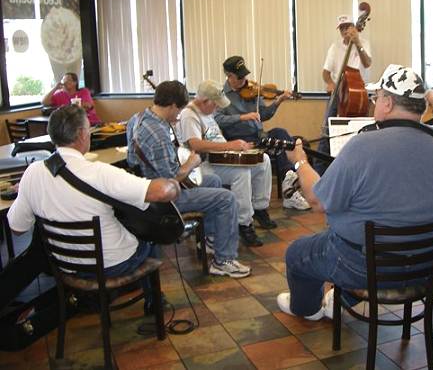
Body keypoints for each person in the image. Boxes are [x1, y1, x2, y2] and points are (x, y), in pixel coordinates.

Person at [276, 65, 433, 320]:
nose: (374, 103)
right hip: (432, 262)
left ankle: (307, 309)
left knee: (297, 254)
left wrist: (300, 161)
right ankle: (340, 300)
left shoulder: (362, 145)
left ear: (387, 103)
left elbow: (316, 201)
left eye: (376, 98)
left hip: (369, 267)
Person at [6, 105, 180, 313]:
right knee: (150, 238)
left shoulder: (32, 173)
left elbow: (16, 228)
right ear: (81, 134)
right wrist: (174, 182)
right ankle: (154, 303)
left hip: (64, 265)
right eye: (88, 129)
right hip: (110, 265)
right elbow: (161, 192)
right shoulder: (99, 172)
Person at [126, 80, 251, 278]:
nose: (179, 115)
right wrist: (191, 163)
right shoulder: (157, 133)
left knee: (214, 182)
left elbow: (132, 159)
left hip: (144, 187)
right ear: (173, 105)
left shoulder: (138, 118)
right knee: (226, 198)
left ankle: (210, 240)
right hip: (164, 199)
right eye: (179, 110)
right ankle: (224, 260)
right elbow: (171, 180)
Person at [178, 80, 275, 247]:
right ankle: (244, 223)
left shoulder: (207, 113)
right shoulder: (189, 115)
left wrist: (241, 148)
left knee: (262, 160)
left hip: (221, 158)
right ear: (204, 101)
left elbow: (216, 137)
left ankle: (259, 207)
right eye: (215, 105)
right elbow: (195, 144)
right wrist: (230, 145)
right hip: (202, 165)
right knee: (241, 173)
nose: (217, 109)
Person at [214, 55, 310, 211]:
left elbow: (264, 114)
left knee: (280, 134)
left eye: (245, 75)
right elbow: (218, 119)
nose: (244, 80)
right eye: (239, 77)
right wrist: (242, 117)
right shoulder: (221, 95)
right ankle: (288, 189)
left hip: (259, 136)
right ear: (229, 76)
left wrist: (278, 101)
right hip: (239, 139)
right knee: (277, 147)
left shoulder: (253, 89)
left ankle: (288, 184)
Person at [315, 14, 372, 175]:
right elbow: (325, 73)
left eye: (347, 26)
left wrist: (358, 43)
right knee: (327, 132)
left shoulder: (364, 43)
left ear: (354, 26)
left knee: (358, 134)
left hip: (357, 95)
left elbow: (367, 63)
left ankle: (356, 172)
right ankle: (320, 175)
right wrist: (331, 83)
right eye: (341, 28)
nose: (345, 30)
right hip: (338, 94)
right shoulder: (334, 47)